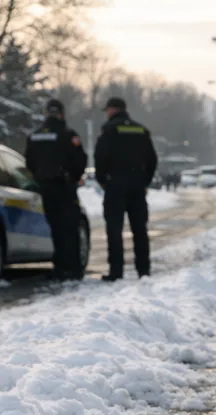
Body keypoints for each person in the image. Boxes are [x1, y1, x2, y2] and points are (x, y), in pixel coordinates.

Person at [94, 97, 158, 282]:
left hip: (115, 185)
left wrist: (104, 181)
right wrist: (144, 181)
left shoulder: (109, 130)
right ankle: (143, 270)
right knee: (139, 230)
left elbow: (100, 158)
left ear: (113, 110)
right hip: (137, 185)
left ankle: (116, 271)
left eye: (107, 110)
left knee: (114, 230)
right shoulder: (141, 130)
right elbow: (152, 160)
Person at [25, 98, 87, 279]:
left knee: (55, 227)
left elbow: (29, 161)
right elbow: (80, 160)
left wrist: (40, 176)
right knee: (71, 227)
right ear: (62, 114)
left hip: (46, 187)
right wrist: (73, 178)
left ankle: (59, 266)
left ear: (46, 114)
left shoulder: (35, 135)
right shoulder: (68, 135)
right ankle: (74, 268)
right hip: (65, 187)